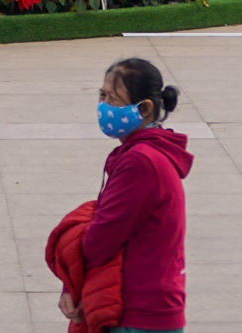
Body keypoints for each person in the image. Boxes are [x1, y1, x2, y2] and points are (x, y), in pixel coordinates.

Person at [64, 56, 191, 333]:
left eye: (113, 98)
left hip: (140, 315)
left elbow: (100, 239)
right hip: (148, 308)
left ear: (144, 109)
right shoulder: (145, 153)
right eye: (102, 95)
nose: (104, 106)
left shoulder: (141, 161)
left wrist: (71, 269)